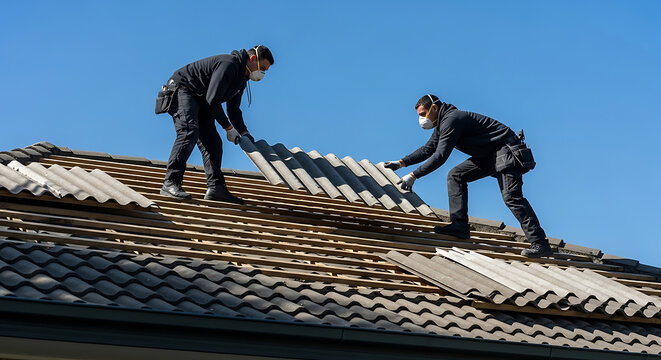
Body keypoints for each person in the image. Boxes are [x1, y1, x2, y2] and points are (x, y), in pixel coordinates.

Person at [384, 94, 553, 258]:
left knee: (512, 197)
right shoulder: (443, 122)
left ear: (434, 108)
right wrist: (401, 163)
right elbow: (428, 149)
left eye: (422, 115)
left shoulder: (452, 120)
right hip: (490, 155)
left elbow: (440, 155)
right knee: (456, 175)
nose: (421, 120)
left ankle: (540, 243)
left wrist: (414, 176)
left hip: (506, 151)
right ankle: (459, 226)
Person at [158, 45, 274, 204]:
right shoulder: (229, 65)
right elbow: (213, 100)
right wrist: (228, 128)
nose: (263, 73)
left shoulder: (241, 79)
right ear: (253, 59)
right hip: (183, 89)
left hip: (201, 100)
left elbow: (233, 111)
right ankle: (170, 183)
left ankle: (216, 188)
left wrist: (244, 133)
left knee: (213, 143)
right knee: (189, 131)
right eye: (263, 68)